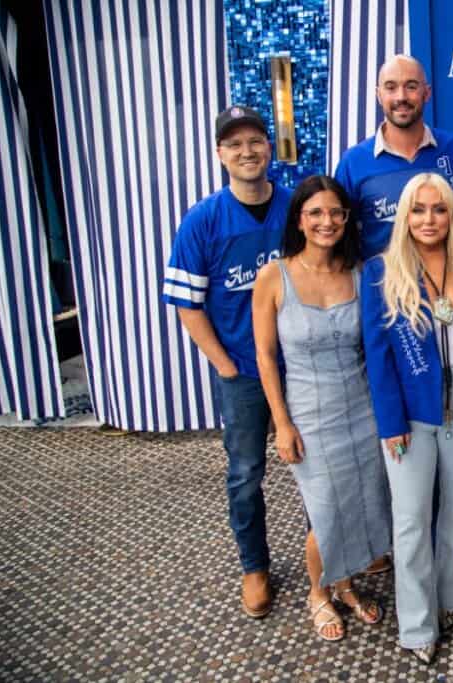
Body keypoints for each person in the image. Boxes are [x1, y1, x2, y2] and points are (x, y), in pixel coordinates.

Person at [162, 106, 292, 619]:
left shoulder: (295, 207)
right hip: (243, 372)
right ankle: (254, 567)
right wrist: (223, 365)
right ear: (220, 154)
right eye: (234, 144)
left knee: (319, 462)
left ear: (269, 147)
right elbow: (185, 302)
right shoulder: (204, 220)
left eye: (255, 141)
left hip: (299, 365)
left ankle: (328, 554)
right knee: (245, 473)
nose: (246, 151)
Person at [361, 173, 453, 665]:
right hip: (410, 410)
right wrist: (390, 422)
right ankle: (417, 624)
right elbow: (377, 358)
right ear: (404, 216)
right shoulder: (380, 274)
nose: (429, 219)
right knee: (412, 518)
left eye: (439, 209)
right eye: (418, 210)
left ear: (452, 215)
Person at [250, 175, 390, 642]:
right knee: (326, 511)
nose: (326, 222)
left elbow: (374, 348)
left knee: (362, 502)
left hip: (361, 409)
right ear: (299, 219)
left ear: (346, 219)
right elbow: (266, 357)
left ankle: (346, 586)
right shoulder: (274, 277)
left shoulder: (358, 273)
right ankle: (318, 592)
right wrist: (282, 425)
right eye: (315, 213)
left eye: (335, 213)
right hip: (308, 415)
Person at [335, 55, 453, 261]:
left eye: (411, 86)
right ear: (379, 95)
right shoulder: (353, 163)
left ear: (427, 93)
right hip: (382, 288)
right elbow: (342, 239)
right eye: (390, 87)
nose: (401, 97)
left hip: (448, 286)